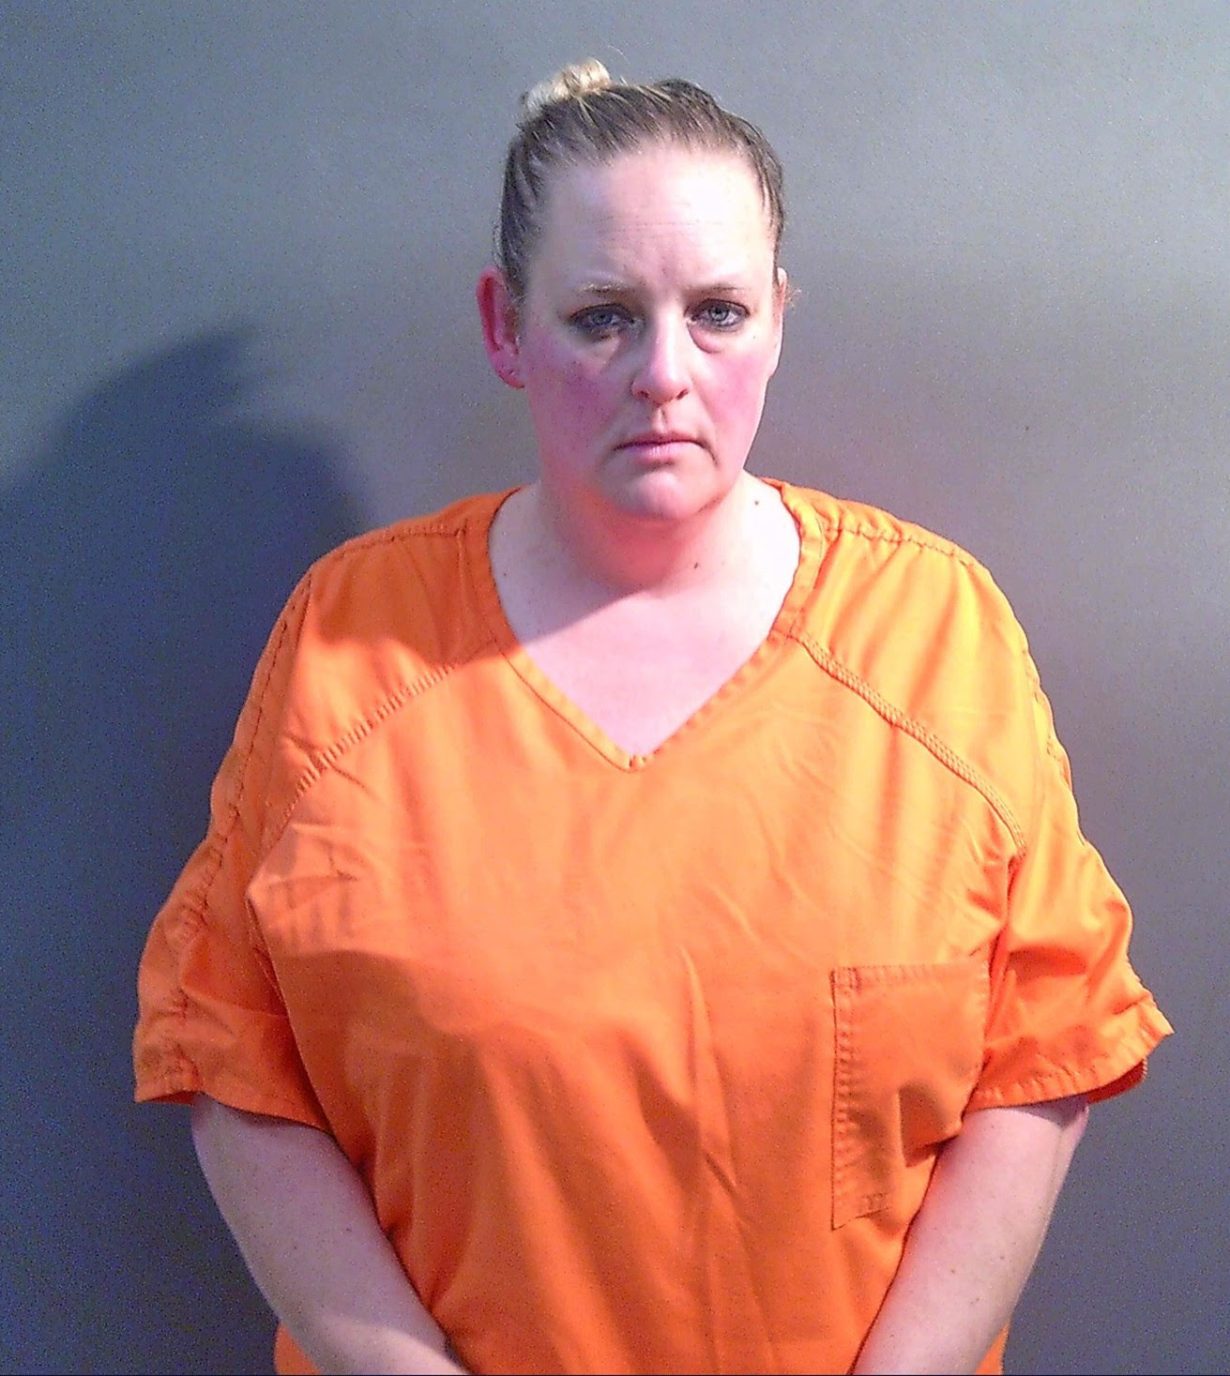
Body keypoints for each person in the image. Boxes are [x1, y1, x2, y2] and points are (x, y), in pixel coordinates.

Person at [132, 59, 1173, 1376]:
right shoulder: (348, 646)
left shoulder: (933, 636)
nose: (663, 374)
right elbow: (233, 1050)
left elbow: (1044, 1050)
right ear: (505, 328)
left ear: (779, 319)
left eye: (718, 312)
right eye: (603, 317)